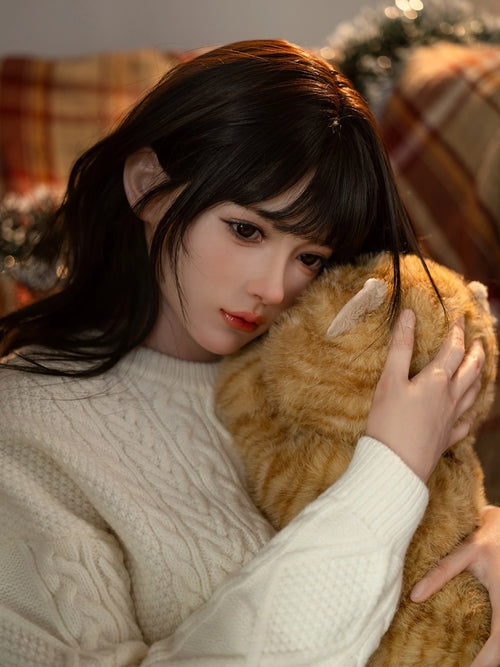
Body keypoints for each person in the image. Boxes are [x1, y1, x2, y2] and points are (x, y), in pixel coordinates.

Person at [0, 39, 498, 666]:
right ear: (149, 186)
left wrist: (483, 535)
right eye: (246, 230)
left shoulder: (323, 376)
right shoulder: (26, 429)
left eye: (309, 257)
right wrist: (390, 473)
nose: (274, 289)